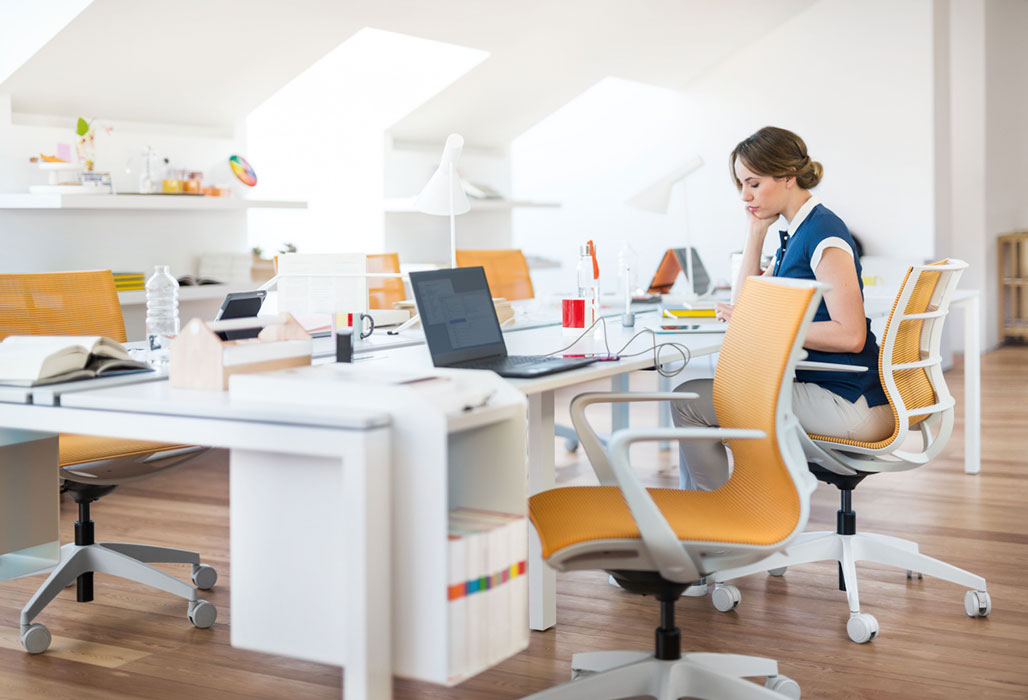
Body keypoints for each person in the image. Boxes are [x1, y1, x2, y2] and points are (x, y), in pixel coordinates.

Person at [672, 126, 893, 492]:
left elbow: (851, 335)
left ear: (788, 177)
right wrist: (755, 232)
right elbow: (747, 306)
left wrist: (768, 327)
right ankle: (710, 525)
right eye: (741, 185)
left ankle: (716, 523)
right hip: (834, 394)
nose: (745, 196)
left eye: (753, 184)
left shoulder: (824, 234)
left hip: (849, 402)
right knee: (696, 398)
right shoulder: (797, 234)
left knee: (689, 402)